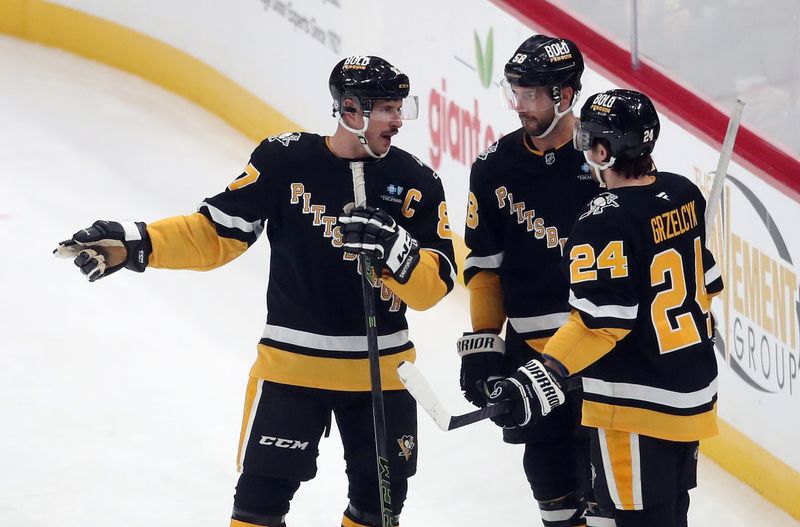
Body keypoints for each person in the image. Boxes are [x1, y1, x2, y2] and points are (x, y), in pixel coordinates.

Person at [54, 55, 457, 527]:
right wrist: (138, 242)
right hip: (291, 371)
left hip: (383, 377)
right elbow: (213, 234)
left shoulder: (416, 181)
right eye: (387, 108)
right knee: (256, 510)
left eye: (399, 107)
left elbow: (435, 286)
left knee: (376, 511)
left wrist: (398, 253)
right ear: (350, 109)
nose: (397, 120)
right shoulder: (283, 161)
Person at [487, 89, 724, 527]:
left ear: (603, 150)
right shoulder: (683, 192)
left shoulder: (601, 218)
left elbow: (600, 324)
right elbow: (708, 285)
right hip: (691, 390)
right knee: (673, 516)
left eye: (587, 142)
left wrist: (543, 374)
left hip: (635, 406)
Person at [457, 35, 598, 526]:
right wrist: (483, 345)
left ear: (565, 94)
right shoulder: (494, 166)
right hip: (532, 359)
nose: (520, 106)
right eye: (514, 92)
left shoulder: (606, 159)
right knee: (553, 495)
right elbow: (485, 265)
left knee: (613, 502)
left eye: (532, 94)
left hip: (605, 355)